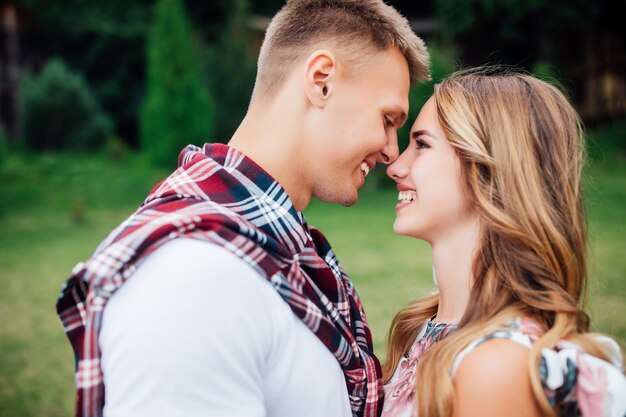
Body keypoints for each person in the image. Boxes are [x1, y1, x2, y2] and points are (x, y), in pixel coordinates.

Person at [55, 1, 429, 417]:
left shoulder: (272, 253)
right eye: (388, 119)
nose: (391, 152)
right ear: (321, 81)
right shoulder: (193, 279)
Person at [382, 69, 626, 417]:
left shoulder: (496, 366)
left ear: (489, 170)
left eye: (421, 144)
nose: (396, 167)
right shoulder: (420, 328)